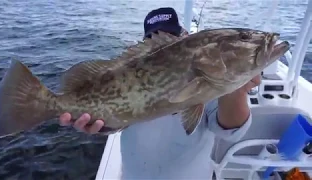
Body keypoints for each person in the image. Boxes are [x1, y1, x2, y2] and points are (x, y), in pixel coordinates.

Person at [59, 7, 261, 179]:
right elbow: (115, 120)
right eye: (155, 40)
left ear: (186, 39)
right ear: (146, 46)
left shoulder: (211, 77)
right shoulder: (129, 74)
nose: (167, 49)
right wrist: (98, 126)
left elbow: (232, 130)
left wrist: (236, 90)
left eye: (173, 41)